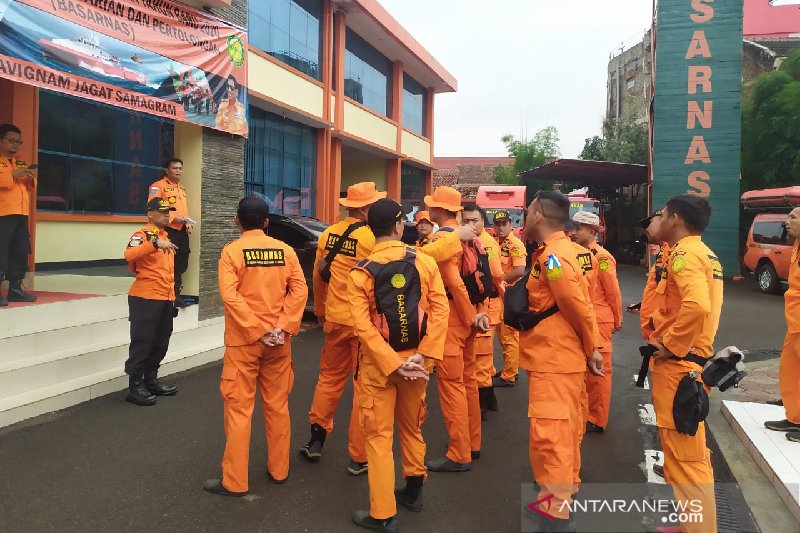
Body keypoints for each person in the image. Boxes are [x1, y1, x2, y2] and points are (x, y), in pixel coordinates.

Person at [348, 198, 449, 532]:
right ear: (397, 226)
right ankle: (414, 488)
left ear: (369, 229)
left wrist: (391, 363)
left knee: (377, 437)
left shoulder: (361, 272)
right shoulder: (423, 261)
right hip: (417, 362)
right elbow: (440, 309)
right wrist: (426, 353)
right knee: (412, 426)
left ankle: (383, 514)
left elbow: (362, 327)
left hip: (380, 368)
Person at [204, 196, 308, 496]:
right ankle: (279, 470)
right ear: (266, 221)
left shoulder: (232, 252)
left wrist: (257, 329)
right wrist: (282, 326)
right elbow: (299, 291)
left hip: (243, 344)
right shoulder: (286, 251)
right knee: (277, 406)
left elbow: (230, 295)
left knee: (239, 411)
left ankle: (234, 481)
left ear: (238, 220)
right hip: (279, 342)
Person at [521, 191, 603, 531]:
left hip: (555, 356)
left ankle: (554, 512)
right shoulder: (565, 250)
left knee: (550, 434)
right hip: (561, 356)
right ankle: (564, 491)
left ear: (538, 214)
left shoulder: (554, 257)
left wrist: (592, 347)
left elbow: (574, 303)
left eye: (527, 212)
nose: (523, 218)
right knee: (565, 428)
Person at [649, 195, 722, 532]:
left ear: (675, 219)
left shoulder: (684, 255)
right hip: (687, 366)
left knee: (687, 461)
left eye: (662, 215)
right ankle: (686, 521)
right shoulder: (703, 252)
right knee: (681, 455)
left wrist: (671, 345)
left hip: (680, 368)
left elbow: (697, 305)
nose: (660, 220)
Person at [302, 182, 385, 475]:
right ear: (364, 208)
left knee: (329, 379)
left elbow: (318, 275)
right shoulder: (372, 238)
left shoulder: (329, 233)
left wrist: (321, 311)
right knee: (364, 387)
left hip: (335, 318)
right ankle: (358, 457)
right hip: (362, 323)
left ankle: (316, 439)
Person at [423, 187, 490, 472]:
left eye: (432, 207)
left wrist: (468, 316)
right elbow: (486, 276)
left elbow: (453, 281)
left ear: (439, 210)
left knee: (452, 387)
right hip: (470, 317)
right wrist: (479, 313)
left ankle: (458, 453)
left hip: (452, 319)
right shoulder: (473, 238)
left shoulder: (443, 238)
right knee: (468, 382)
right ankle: (472, 444)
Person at [122, 198, 181, 406]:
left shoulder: (166, 235)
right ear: (150, 214)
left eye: (168, 212)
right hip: (145, 297)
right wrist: (154, 244)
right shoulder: (142, 235)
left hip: (165, 297)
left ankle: (151, 379)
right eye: (162, 211)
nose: (166, 215)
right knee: (143, 342)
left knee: (160, 342)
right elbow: (128, 254)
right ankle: (135, 385)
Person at [572, 211, 622, 433]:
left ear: (592, 231)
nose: (574, 232)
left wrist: (617, 318)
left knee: (600, 372)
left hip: (600, 320)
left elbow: (612, 291)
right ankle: (585, 412)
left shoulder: (601, 257)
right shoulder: (576, 253)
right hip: (584, 318)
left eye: (579, 228)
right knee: (583, 370)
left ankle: (597, 418)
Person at [461, 204, 504, 420]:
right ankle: (489, 398)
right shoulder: (472, 241)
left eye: (474, 220)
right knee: (480, 356)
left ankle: (482, 404)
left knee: (482, 357)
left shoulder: (485, 243)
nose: (469, 224)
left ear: (483, 222)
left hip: (486, 306)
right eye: (465, 220)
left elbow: (497, 274)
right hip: (479, 307)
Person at [765, 206, 800, 443]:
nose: (788, 221)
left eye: (794, 217)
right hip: (795, 321)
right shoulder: (797, 245)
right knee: (791, 368)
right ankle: (795, 417)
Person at [148, 158, 194, 308]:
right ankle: (166, 295)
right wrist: (174, 218)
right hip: (167, 230)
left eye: (180, 168)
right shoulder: (158, 186)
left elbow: (183, 210)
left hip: (182, 231)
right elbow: (153, 208)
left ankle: (176, 295)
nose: (178, 171)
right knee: (168, 263)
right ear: (167, 170)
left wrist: (187, 223)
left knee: (181, 263)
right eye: (175, 168)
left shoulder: (181, 188)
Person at [0, 124, 36, 306]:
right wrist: (14, 174)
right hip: (2, 214)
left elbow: (28, 186)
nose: (15, 145)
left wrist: (30, 177)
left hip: (21, 213)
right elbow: (6, 179)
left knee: (19, 251)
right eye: (11, 141)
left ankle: (15, 288)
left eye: (18, 142)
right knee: (1, 251)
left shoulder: (19, 161)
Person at [491, 210, 527, 388]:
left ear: (510, 225)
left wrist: (500, 281)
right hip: (501, 295)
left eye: (504, 224)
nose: (500, 227)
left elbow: (519, 270)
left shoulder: (515, 244)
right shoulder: (497, 242)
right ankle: (510, 368)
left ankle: (509, 375)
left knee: (509, 336)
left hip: (511, 295)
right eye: (497, 224)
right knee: (502, 334)